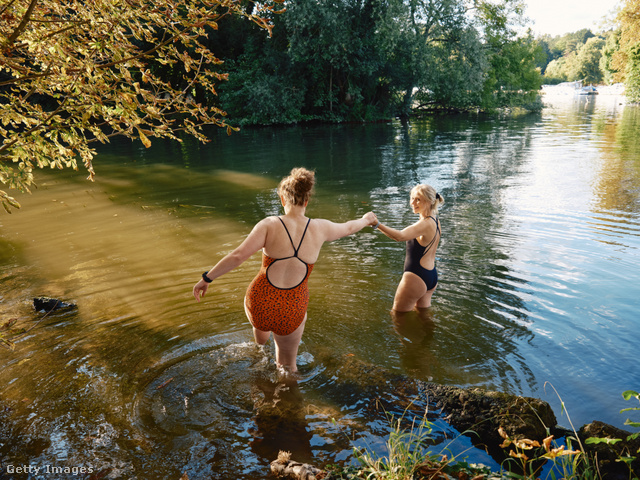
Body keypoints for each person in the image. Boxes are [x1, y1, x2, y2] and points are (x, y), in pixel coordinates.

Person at [193, 167, 377, 374]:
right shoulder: (321, 228)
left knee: (261, 334)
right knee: (287, 367)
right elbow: (349, 227)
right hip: (292, 306)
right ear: (307, 200)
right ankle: (287, 401)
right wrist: (367, 219)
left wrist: (206, 278)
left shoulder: (269, 224)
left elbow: (237, 256)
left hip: (260, 300)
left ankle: (260, 352)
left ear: (282, 199)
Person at [374, 184, 444, 312]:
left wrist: (377, 224)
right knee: (423, 315)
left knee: (397, 316)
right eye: (412, 198)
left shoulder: (425, 224)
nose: (412, 203)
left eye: (418, 199)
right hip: (431, 276)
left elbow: (400, 236)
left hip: (416, 277)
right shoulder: (435, 220)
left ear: (429, 201)